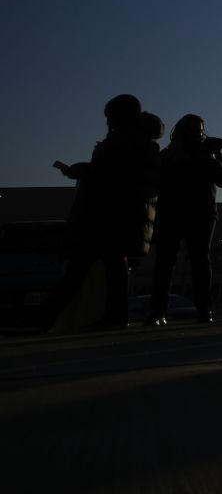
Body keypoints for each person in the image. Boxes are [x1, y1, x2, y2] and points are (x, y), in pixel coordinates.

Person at [38, 94, 160, 331]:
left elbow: (116, 175)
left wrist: (85, 170)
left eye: (110, 117)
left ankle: (45, 317)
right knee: (105, 267)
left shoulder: (127, 141)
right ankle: (112, 316)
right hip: (116, 215)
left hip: (109, 214)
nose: (107, 123)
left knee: (81, 267)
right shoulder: (137, 141)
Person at [148, 114, 222, 325]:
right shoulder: (187, 155)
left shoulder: (170, 155)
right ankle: (199, 310)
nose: (200, 134)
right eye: (197, 130)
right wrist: (217, 156)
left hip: (184, 213)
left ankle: (162, 311)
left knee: (174, 262)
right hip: (193, 212)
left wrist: (217, 156)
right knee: (193, 261)